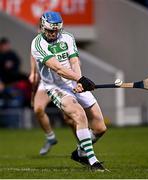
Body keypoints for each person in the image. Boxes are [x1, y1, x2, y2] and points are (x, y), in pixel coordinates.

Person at [31, 11, 107, 171]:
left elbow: (74, 60)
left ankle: (80, 152)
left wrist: (79, 81)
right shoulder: (38, 44)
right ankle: (93, 162)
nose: (53, 34)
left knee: (100, 128)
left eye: (55, 31)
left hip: (73, 81)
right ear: (42, 27)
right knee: (79, 115)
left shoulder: (68, 37)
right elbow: (57, 68)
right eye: (50, 30)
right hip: (55, 87)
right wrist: (80, 79)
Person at [29, 55, 58, 155]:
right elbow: (33, 55)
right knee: (38, 109)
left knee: (70, 119)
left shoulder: (66, 40)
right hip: (47, 82)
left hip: (65, 81)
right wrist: (33, 72)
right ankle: (50, 137)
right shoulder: (38, 41)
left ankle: (82, 147)